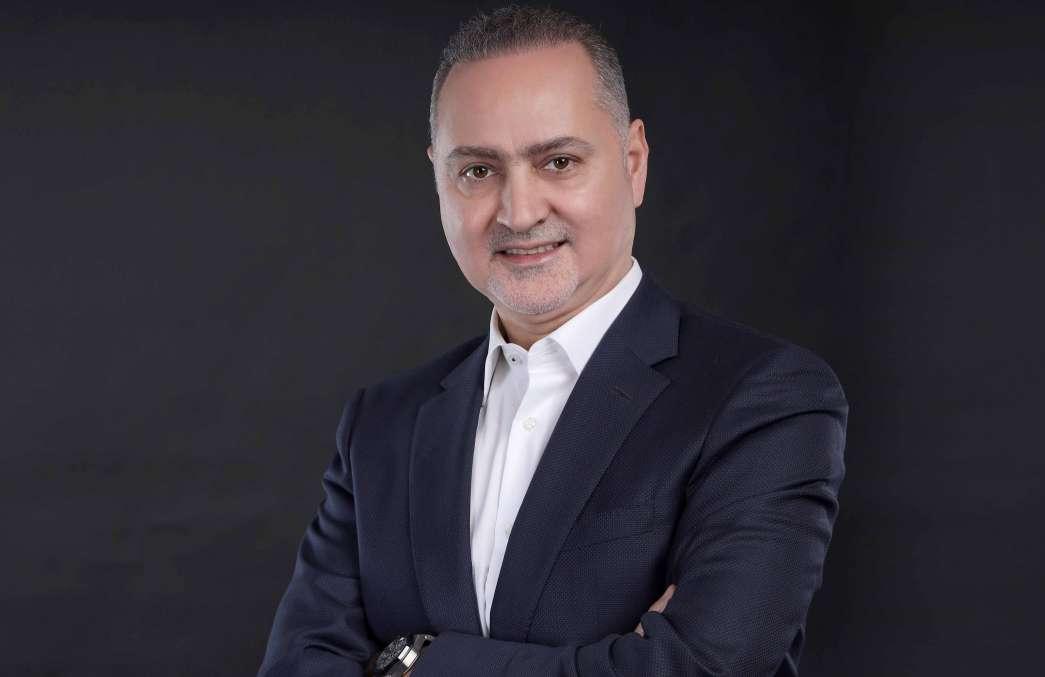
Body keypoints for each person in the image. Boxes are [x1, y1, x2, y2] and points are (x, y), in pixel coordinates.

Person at [258, 5, 847, 676]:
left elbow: (703, 667)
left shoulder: (763, 399)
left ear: (633, 163)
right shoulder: (381, 425)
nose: (519, 212)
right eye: (477, 171)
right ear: (438, 178)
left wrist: (416, 662)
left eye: (558, 161)